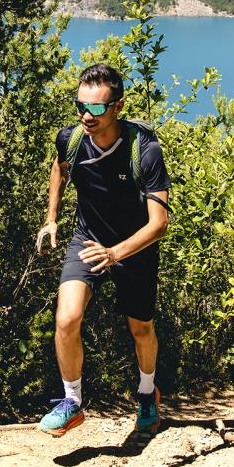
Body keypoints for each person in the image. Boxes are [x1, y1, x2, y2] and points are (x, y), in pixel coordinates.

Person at [34, 63, 171, 437]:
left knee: (141, 329)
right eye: (80, 106)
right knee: (66, 319)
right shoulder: (71, 139)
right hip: (87, 239)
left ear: (118, 107)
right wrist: (52, 218)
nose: (85, 115)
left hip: (133, 248)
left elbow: (158, 223)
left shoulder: (145, 151)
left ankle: (147, 395)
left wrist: (115, 254)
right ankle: (72, 403)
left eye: (96, 108)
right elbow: (59, 168)